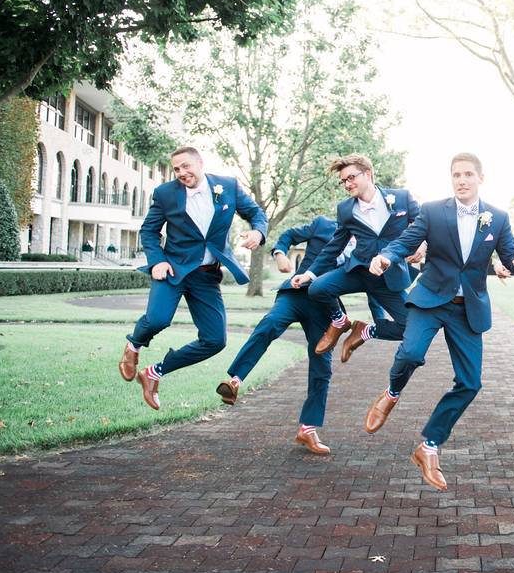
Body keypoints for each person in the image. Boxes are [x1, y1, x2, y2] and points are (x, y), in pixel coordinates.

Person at [365, 153, 514, 490]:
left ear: (481, 178)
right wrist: (386, 256)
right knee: (410, 354)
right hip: (430, 298)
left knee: (470, 383)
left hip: (468, 307)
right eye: (456, 175)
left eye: (468, 174)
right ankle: (392, 392)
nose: (461, 180)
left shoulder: (497, 218)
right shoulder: (432, 211)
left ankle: (428, 448)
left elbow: (511, 257)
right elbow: (406, 241)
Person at [118, 147, 268, 410]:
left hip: (206, 276)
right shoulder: (165, 193)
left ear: (200, 163)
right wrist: (157, 261)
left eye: (186, 166)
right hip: (172, 269)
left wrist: (257, 232)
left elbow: (256, 213)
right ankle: (134, 345)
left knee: (215, 340)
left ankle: (153, 373)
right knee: (158, 319)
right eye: (177, 169)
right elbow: (149, 231)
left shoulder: (228, 186)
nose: (182, 173)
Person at [215, 216, 339, 454]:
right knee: (270, 323)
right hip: (295, 293)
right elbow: (289, 235)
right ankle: (235, 380)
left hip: (324, 307)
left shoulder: (368, 243)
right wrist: (280, 253)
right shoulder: (323, 225)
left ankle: (308, 429)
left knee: (322, 365)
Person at [296, 154, 424, 363]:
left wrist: (423, 245)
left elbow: (424, 225)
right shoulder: (345, 210)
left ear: (368, 174)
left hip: (387, 279)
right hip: (357, 271)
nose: (347, 184)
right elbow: (334, 246)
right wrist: (308, 273)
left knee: (410, 327)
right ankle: (339, 321)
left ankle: (365, 331)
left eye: (351, 178)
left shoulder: (401, 198)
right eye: (344, 181)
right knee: (317, 288)